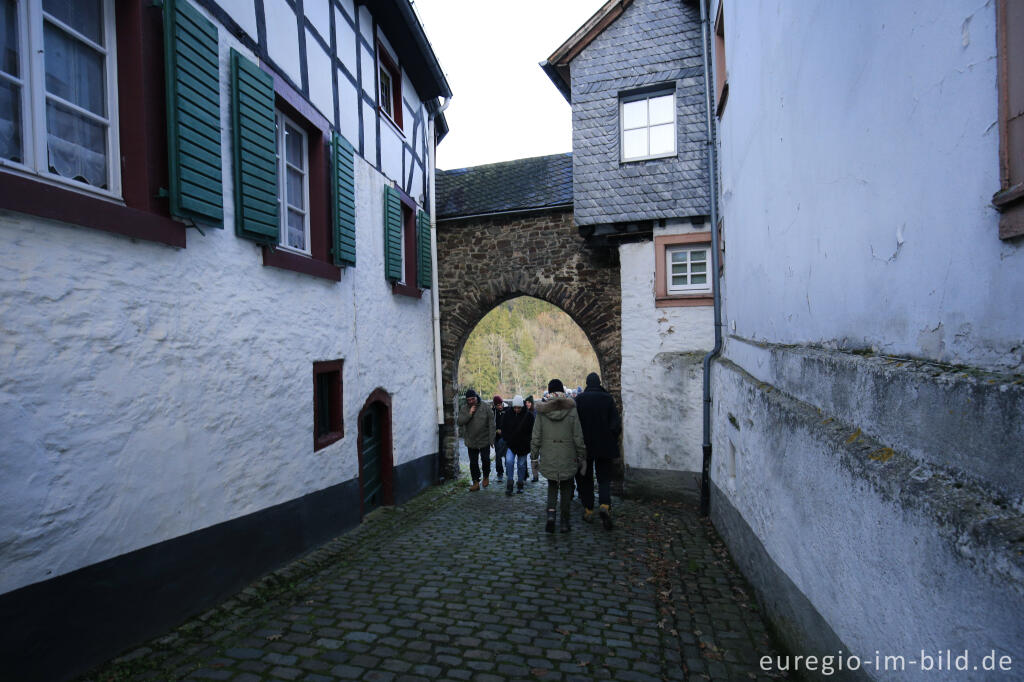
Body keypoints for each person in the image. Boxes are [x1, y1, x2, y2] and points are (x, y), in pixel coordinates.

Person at [532, 379, 586, 533]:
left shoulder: (542, 411)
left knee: (552, 485)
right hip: (568, 454)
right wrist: (582, 454)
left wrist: (534, 457)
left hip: (549, 454)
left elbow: (536, 436)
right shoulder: (572, 409)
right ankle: (564, 521)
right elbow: (577, 435)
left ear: (549, 392)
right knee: (567, 486)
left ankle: (550, 515)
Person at [573, 372, 621, 529]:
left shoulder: (579, 400)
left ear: (587, 383)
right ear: (599, 382)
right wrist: (611, 437)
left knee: (585, 477)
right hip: (605, 445)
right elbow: (616, 423)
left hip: (585, 446)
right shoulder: (607, 399)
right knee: (604, 477)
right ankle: (605, 505)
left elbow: (575, 424)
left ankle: (588, 509)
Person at [457, 388, 494, 491]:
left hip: (484, 439)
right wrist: (469, 414)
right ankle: (475, 482)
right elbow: (459, 422)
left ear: (476, 397)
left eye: (472, 399)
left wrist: (491, 439)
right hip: (471, 440)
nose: (471, 401)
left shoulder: (485, 407)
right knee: (473, 463)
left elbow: (492, 424)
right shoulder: (464, 408)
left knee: (485, 460)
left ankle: (486, 476)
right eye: (468, 400)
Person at [502, 395, 534, 496]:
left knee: (521, 465)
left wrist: (528, 441)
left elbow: (532, 431)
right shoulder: (508, 414)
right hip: (511, 444)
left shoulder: (529, 416)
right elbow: (504, 428)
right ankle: (510, 484)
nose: (516, 409)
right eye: (515, 407)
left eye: (518, 408)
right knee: (509, 462)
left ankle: (520, 484)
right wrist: (507, 439)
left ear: (522, 406)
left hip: (523, 446)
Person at [492, 395, 507, 483]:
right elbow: (491, 424)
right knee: (498, 456)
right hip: (497, 437)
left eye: (500, 404)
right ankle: (500, 473)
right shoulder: (493, 412)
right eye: (497, 405)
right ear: (495, 405)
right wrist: (496, 430)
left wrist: (504, 431)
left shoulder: (508, 410)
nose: (500, 406)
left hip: (506, 437)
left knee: (507, 456)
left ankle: (509, 471)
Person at [524, 395, 538, 481]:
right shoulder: (524, 412)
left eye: (529, 402)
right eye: (526, 403)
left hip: (534, 438)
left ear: (532, 403)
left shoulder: (535, 412)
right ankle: (525, 474)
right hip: (525, 438)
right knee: (523, 457)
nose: (527, 404)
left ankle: (535, 475)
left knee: (534, 457)